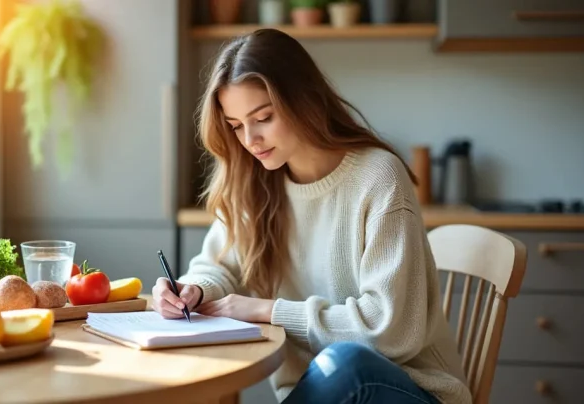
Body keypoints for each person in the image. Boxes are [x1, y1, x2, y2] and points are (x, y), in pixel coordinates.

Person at [151, 28, 472, 404]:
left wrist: (268, 311)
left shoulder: (377, 177)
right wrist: (193, 289)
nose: (250, 139)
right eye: (236, 126)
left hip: (408, 388)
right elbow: (221, 264)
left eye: (264, 117)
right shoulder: (254, 180)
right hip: (319, 393)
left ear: (302, 100)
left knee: (347, 365)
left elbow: (389, 331)